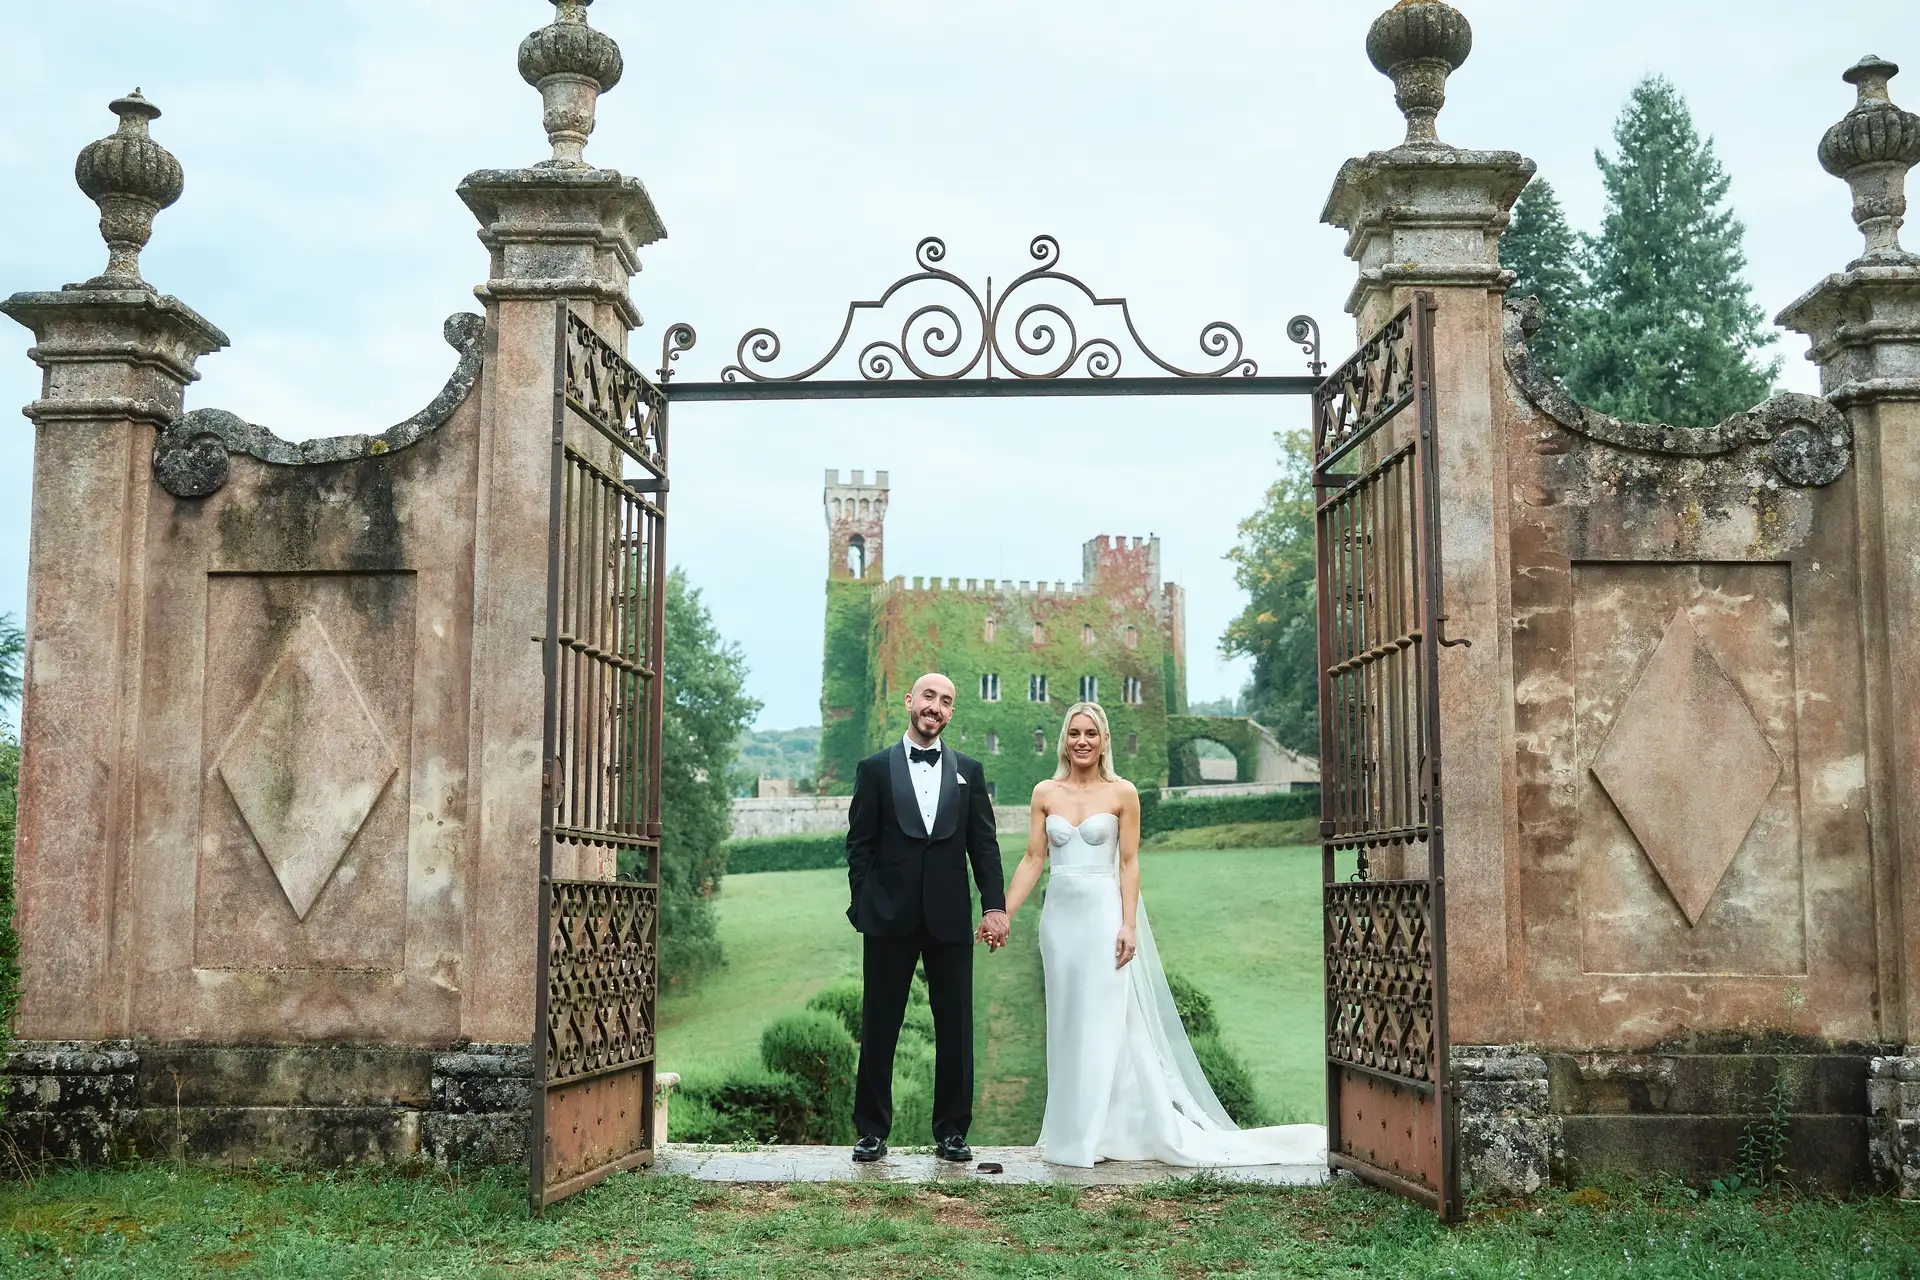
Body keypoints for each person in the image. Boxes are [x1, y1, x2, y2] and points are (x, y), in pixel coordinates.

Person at [995, 701, 1327, 1168]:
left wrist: (1128, 924)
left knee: (1106, 1021)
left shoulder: (1122, 793)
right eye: (1074, 733)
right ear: (1064, 740)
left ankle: (1104, 1132)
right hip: (1060, 923)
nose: (1082, 741)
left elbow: (1129, 863)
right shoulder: (1045, 792)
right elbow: (1033, 859)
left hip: (1103, 917)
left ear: (1104, 740)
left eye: (1091, 733)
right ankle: (1073, 1130)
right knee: (1067, 1021)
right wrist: (1002, 913)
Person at [844, 672, 1008, 1163]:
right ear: (909, 701)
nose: (936, 706)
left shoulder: (969, 772)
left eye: (946, 701)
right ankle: (871, 1131)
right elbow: (859, 844)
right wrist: (864, 903)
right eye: (929, 697)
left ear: (951, 713)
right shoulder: (874, 769)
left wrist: (994, 907)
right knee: (880, 1023)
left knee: (955, 1027)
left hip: (950, 917)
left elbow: (984, 846)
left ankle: (952, 1132)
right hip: (888, 918)